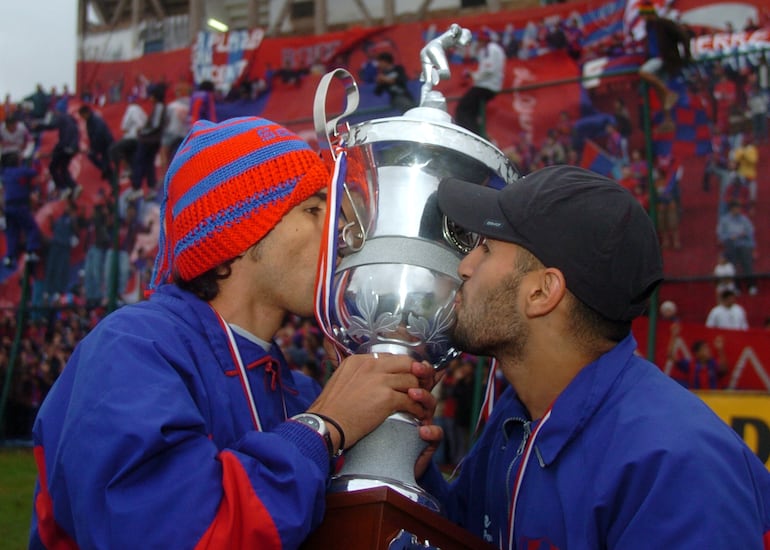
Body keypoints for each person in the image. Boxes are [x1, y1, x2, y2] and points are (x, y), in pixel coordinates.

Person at [29, 116, 438, 549]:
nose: (338, 230)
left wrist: (383, 463)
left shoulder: (297, 391)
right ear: (238, 232)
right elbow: (174, 536)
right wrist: (322, 428)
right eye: (313, 209)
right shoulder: (132, 349)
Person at [415, 165, 770, 547]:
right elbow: (473, 533)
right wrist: (418, 472)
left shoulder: (679, 466)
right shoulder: (520, 409)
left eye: (485, 249)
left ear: (542, 292)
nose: (465, 267)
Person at [637, 1, 692, 131]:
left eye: (644, 14)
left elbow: (683, 36)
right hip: (656, 60)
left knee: (643, 72)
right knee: (660, 92)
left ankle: (669, 93)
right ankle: (669, 121)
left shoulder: (663, 23)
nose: (643, 17)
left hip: (663, 59)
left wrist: (686, 55)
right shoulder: (649, 27)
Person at [454, 29, 506, 136]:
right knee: (471, 111)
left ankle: (471, 134)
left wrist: (474, 75)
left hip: (486, 86)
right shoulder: (492, 49)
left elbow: (488, 70)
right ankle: (475, 133)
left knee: (462, 108)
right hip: (489, 85)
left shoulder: (489, 49)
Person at [717, 200, 757, 295]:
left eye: (739, 208)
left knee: (747, 263)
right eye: (736, 208)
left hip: (744, 244)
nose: (738, 210)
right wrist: (731, 237)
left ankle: (751, 285)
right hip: (731, 245)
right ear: (731, 209)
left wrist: (753, 247)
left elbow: (750, 233)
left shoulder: (744, 219)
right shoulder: (724, 220)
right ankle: (736, 286)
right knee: (733, 265)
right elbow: (721, 235)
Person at [77, 104, 114, 181]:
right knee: (97, 157)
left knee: (99, 156)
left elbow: (99, 133)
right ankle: (106, 170)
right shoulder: (89, 121)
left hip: (105, 143)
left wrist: (94, 146)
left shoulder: (95, 120)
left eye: (82, 115)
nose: (82, 118)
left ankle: (108, 171)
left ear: (86, 113)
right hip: (100, 143)